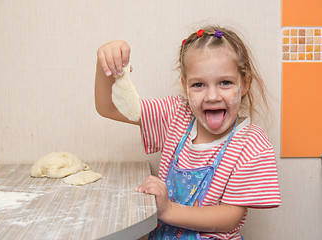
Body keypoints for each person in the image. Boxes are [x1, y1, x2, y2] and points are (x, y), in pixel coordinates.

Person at [95, 25, 281, 240]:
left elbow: (230, 217)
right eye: (199, 84)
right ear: (185, 86)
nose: (212, 96)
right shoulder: (176, 116)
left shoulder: (252, 144)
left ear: (245, 83)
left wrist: (168, 210)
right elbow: (108, 107)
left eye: (225, 83)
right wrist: (106, 67)